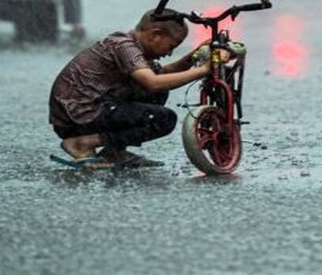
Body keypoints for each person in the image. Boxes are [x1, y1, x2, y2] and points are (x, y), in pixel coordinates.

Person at [49, 9, 216, 168]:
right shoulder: (125, 47)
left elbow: (161, 75)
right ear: (155, 34)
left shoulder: (132, 46)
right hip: (78, 117)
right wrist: (202, 70)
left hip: (84, 113)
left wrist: (192, 57)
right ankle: (82, 144)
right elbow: (153, 82)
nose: (169, 53)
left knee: (157, 93)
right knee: (165, 119)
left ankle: (113, 151)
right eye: (171, 46)